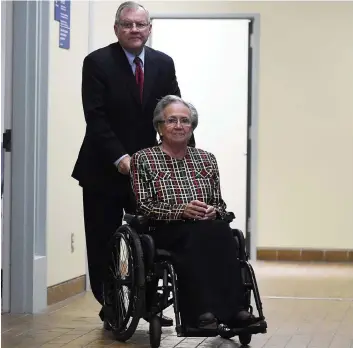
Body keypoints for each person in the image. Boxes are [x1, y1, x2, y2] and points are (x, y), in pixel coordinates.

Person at [71, 1, 191, 329]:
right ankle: (110, 305)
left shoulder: (162, 64)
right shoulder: (97, 62)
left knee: (153, 236)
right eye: (127, 25)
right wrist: (119, 157)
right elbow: (95, 117)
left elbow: (173, 111)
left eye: (140, 25)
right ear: (116, 28)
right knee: (104, 243)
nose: (134, 30)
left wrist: (185, 154)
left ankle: (150, 304)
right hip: (102, 168)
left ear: (149, 29)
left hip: (146, 171)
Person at [129, 95, 255, 329]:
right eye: (172, 120)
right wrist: (181, 211)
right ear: (159, 126)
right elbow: (144, 206)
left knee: (223, 232)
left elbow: (219, 203)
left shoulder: (206, 159)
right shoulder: (143, 159)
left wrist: (213, 211)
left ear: (192, 127)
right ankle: (201, 313)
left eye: (185, 121)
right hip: (165, 229)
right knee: (199, 236)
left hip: (206, 227)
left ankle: (235, 310)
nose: (179, 126)